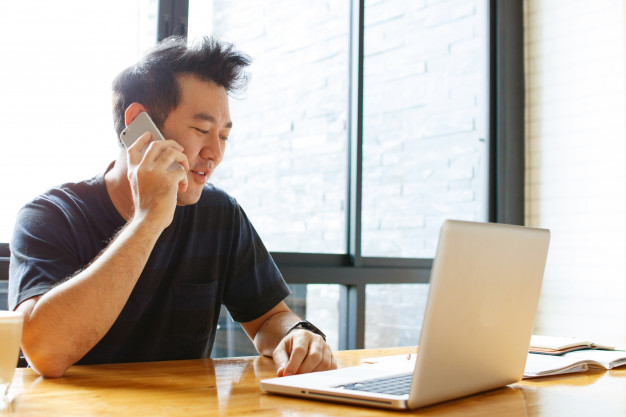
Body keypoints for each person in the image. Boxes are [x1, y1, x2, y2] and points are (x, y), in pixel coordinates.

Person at [8, 36, 336, 378]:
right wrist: (147, 220)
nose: (215, 153)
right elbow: (45, 352)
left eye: (223, 136)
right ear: (140, 128)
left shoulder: (219, 213)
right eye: (202, 129)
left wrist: (296, 334)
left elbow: (269, 318)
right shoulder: (48, 217)